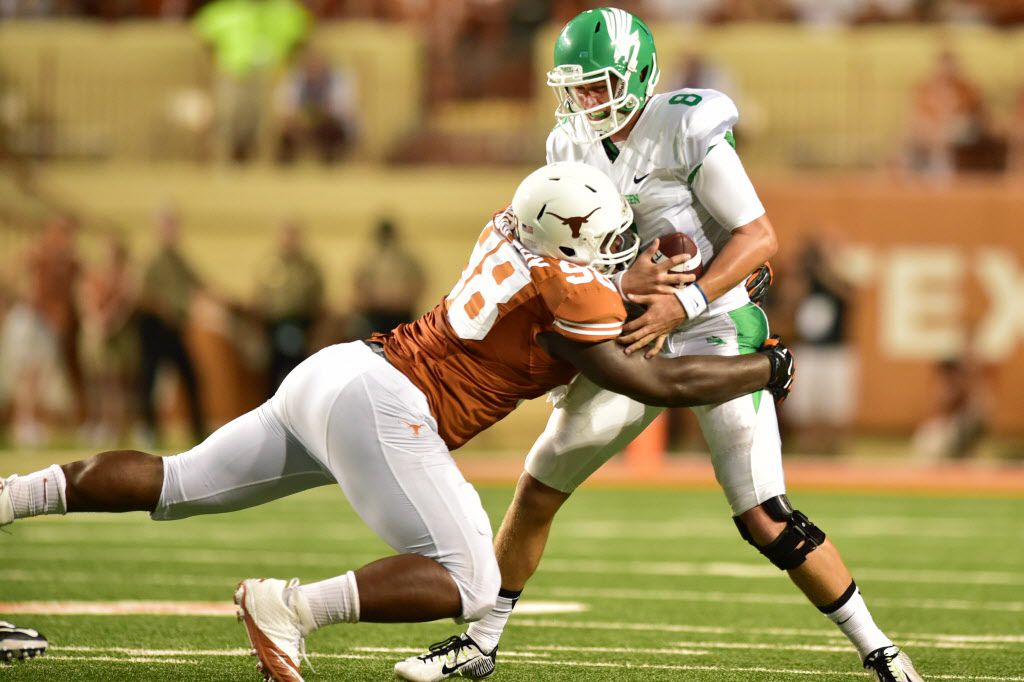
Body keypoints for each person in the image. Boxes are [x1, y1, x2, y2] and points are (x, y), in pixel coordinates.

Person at [0, 162, 793, 682]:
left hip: (338, 374)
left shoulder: (509, 227)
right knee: (475, 581)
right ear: (574, 241)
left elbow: (570, 282)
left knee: (175, 481)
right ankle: (291, 607)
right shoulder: (573, 291)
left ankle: (7, 496)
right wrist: (768, 367)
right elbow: (656, 378)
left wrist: (625, 280)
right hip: (385, 403)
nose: (619, 246)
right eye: (608, 239)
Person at [395, 9, 923, 682]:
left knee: (764, 516)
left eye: (600, 84)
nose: (588, 101)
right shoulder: (570, 146)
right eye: (577, 88)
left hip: (712, 323)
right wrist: (623, 294)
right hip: (638, 325)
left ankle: (879, 650)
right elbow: (573, 254)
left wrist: (686, 300)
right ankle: (481, 643)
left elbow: (758, 238)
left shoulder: (685, 126)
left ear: (640, 74)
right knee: (539, 484)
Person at [136, 205, 206, 445]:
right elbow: (143, 294)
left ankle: (197, 430)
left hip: (175, 326)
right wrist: (163, 309)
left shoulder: (178, 259)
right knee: (150, 378)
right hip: (155, 326)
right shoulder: (152, 260)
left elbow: (199, 282)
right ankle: (149, 429)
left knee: (190, 377)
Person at [254, 217, 324, 396]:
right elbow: (261, 296)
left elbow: (317, 294)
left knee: (300, 370)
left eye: (294, 234)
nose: (290, 239)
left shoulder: (308, 267)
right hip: (273, 324)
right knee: (274, 370)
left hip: (303, 323)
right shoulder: (269, 264)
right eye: (287, 234)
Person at [274, 47, 358, 164]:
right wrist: (297, 117)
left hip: (328, 125)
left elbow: (345, 107)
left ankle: (331, 157)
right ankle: (286, 162)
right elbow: (284, 105)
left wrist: (322, 114)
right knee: (288, 131)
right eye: (311, 65)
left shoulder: (338, 80)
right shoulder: (295, 79)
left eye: (317, 64)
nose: (314, 68)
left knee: (332, 128)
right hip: (303, 124)